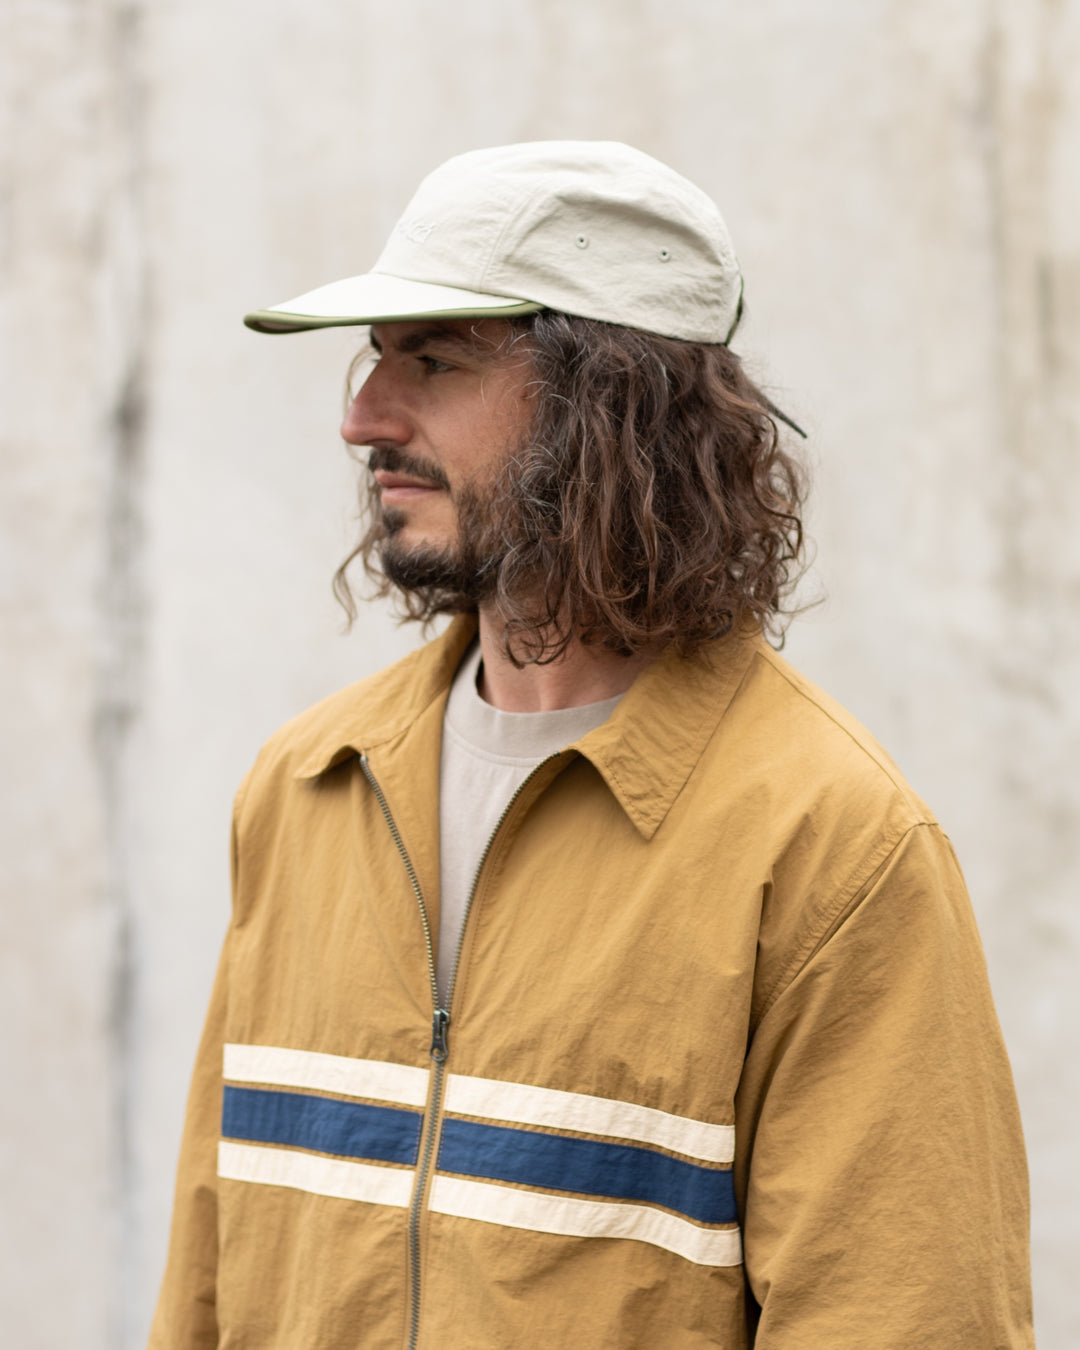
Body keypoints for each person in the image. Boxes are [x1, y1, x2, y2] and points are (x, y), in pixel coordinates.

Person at [149, 142, 1033, 1349]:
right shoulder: (308, 787)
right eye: (374, 358)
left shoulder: (833, 850)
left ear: (609, 404)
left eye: (434, 360)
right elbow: (206, 1291)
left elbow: (906, 1319)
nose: (363, 417)